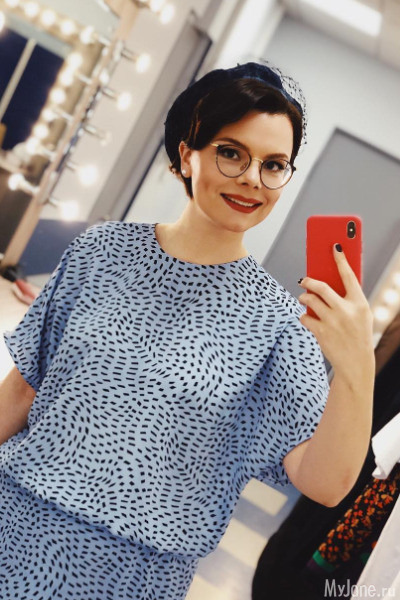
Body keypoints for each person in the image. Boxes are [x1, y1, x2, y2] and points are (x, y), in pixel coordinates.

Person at [0, 61, 375, 600]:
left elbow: (325, 482)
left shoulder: (277, 324)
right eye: (232, 153)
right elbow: (21, 391)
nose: (252, 178)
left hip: (130, 578)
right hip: (12, 523)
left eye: (274, 164)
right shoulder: (100, 252)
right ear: (186, 154)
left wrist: (358, 364)